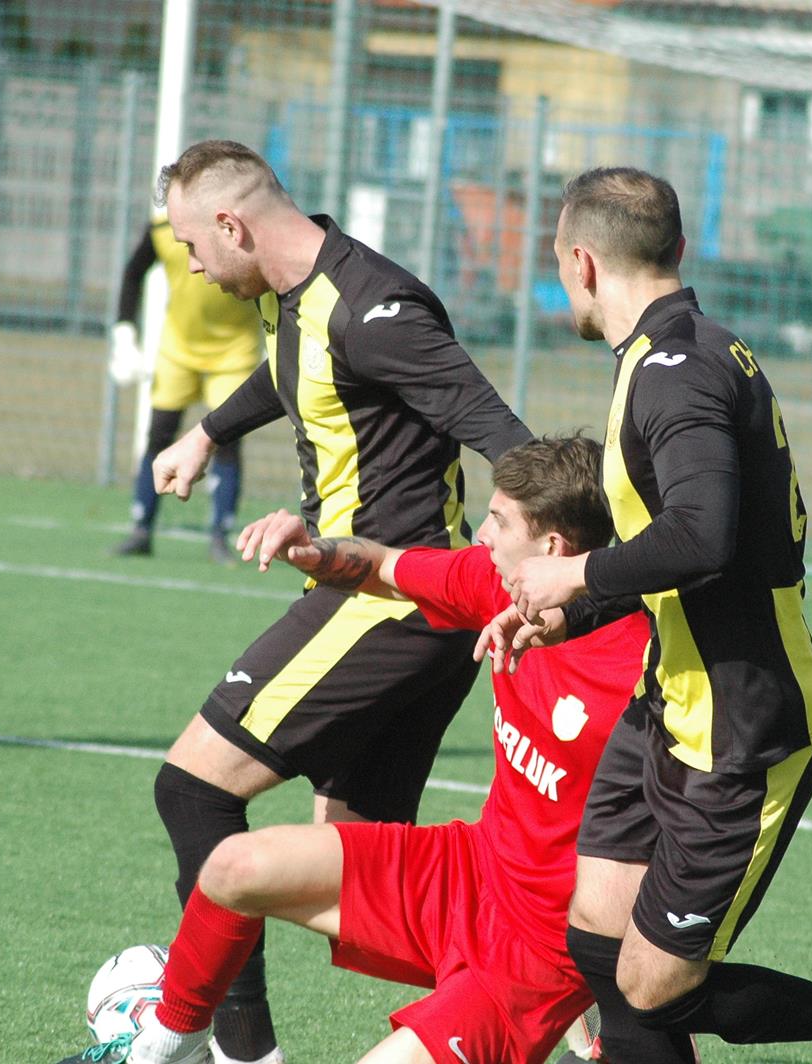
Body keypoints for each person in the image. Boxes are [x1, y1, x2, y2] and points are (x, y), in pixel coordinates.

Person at [482, 168, 812, 1063]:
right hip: (671, 703)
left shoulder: (674, 372)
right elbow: (679, 553)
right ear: (679, 250)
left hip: (746, 729)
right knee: (598, 942)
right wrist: (569, 616)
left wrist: (571, 576)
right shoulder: (675, 351)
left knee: (654, 986)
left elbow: (705, 537)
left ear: (580, 262)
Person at [59, 435, 672, 1064]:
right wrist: (313, 549)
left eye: (499, 520)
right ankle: (168, 1042)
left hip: (537, 959)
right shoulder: (497, 585)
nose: (481, 534)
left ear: (553, 550)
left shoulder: (651, 669)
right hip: (465, 871)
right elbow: (384, 564)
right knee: (230, 868)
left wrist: (633, 995)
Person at [131, 140, 531, 1064]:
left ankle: (239, 1053)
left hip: (390, 598)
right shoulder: (296, 292)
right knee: (366, 863)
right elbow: (290, 373)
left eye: (195, 246)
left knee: (192, 789)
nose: (191, 265)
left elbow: (499, 431)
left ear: (233, 226)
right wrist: (207, 435)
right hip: (403, 610)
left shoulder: (378, 310)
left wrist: (552, 573)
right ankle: (569, 1009)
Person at [106, 216, 264, 561]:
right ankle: (141, 527)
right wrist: (123, 332)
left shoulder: (241, 228)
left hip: (234, 351)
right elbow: (133, 274)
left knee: (227, 438)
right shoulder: (164, 229)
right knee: (159, 434)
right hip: (178, 349)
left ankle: (221, 535)